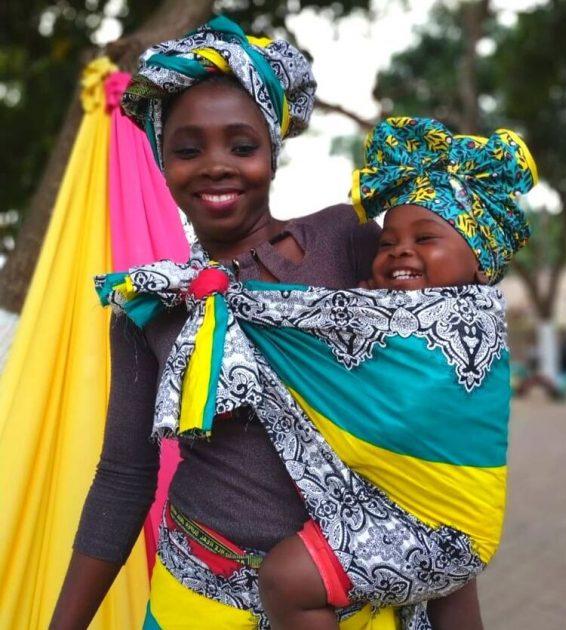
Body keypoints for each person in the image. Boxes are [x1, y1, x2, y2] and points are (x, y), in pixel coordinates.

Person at [50, 18, 481, 630]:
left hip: (353, 603)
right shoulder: (151, 303)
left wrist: (452, 592)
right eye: (188, 148)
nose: (215, 166)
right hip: (199, 602)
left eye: (242, 145)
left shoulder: (348, 245)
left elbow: (440, 399)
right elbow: (123, 477)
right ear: (162, 161)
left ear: (272, 154)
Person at [250, 116, 537, 629]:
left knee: (286, 580)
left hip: (447, 519)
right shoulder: (390, 309)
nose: (400, 250)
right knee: (451, 599)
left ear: (480, 264)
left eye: (425, 238)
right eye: (387, 243)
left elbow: (402, 404)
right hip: (431, 516)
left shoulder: (472, 321)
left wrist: (360, 321)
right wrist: (366, 314)